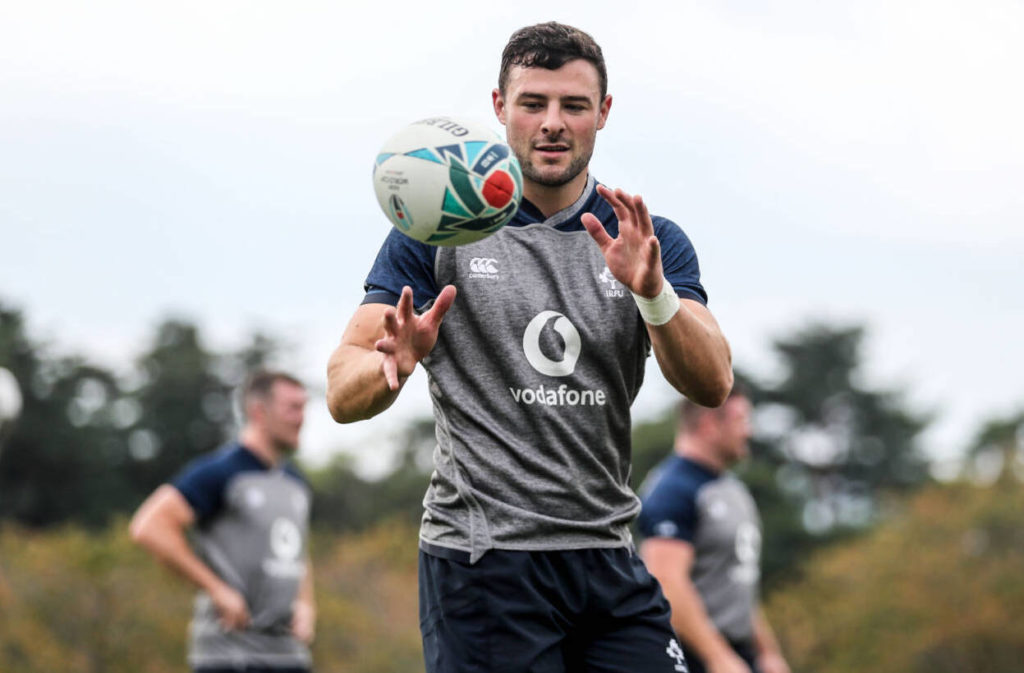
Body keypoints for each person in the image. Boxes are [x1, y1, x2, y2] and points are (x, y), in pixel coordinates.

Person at [327, 21, 733, 673]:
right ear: (499, 108)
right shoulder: (436, 228)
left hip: (606, 555)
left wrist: (653, 293)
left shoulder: (644, 238)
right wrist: (389, 364)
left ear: (602, 113)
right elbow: (340, 390)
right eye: (533, 103)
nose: (552, 123)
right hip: (485, 561)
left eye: (573, 105)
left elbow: (713, 381)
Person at [130, 370, 316, 673]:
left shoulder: (296, 483)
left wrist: (307, 604)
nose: (301, 418)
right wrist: (216, 589)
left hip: (288, 655)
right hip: (230, 654)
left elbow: (297, 550)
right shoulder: (221, 473)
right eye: (292, 408)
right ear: (258, 411)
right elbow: (149, 526)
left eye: (304, 408)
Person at [636, 389, 790, 673]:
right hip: (692, 657)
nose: (749, 431)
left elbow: (736, 581)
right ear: (709, 424)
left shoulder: (732, 489)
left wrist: (766, 652)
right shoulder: (672, 489)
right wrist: (717, 657)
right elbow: (668, 582)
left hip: (737, 653)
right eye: (741, 420)